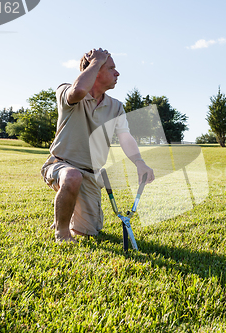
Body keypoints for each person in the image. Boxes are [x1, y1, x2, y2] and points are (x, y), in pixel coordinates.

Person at [41, 48, 155, 243]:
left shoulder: (116, 106)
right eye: (111, 68)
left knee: (88, 232)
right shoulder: (66, 91)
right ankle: (62, 233)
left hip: (92, 173)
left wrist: (140, 162)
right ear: (95, 70)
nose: (117, 73)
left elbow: (125, 137)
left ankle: (70, 217)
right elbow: (77, 91)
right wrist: (96, 61)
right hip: (60, 164)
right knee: (72, 176)